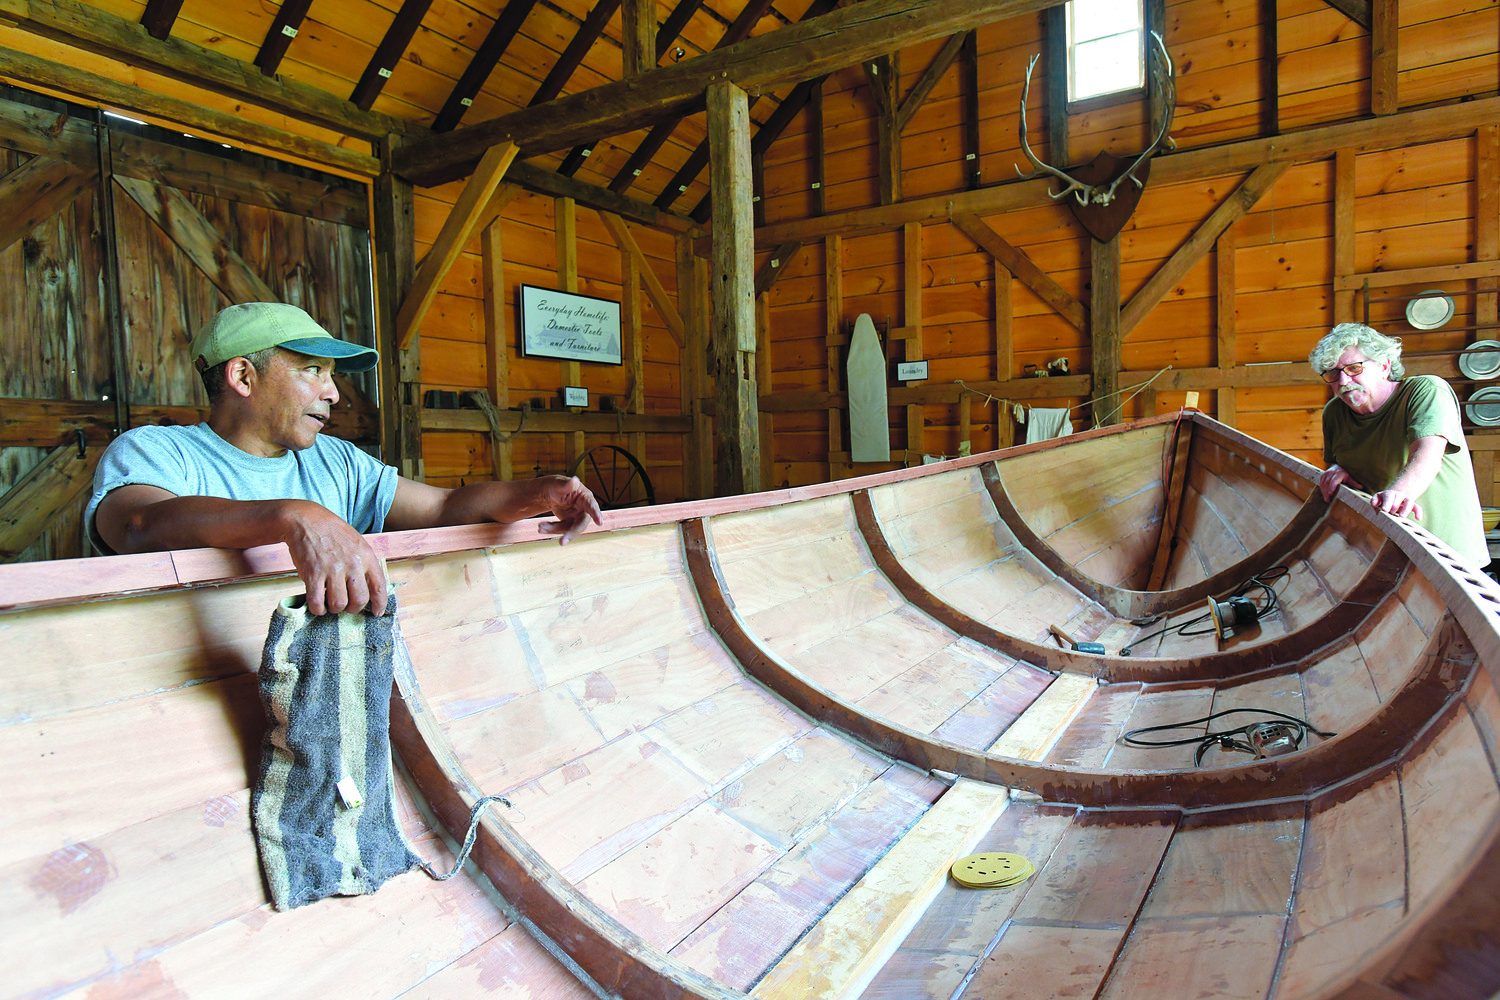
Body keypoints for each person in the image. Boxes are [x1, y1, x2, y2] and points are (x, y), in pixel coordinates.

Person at [86, 302, 603, 616]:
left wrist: (540, 492)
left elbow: (444, 507)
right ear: (243, 377)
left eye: (332, 375)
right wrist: (295, 517)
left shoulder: (339, 462)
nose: (334, 394)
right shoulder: (156, 451)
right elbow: (136, 525)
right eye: (313, 370)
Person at [1310, 322, 1487, 568]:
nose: (1343, 380)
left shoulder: (1425, 390)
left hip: (1448, 552)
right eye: (1333, 373)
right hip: (1385, 550)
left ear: (1384, 366)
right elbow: (1339, 465)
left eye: (1354, 368)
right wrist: (1338, 470)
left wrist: (1399, 494)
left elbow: (1428, 453)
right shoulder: (1334, 413)